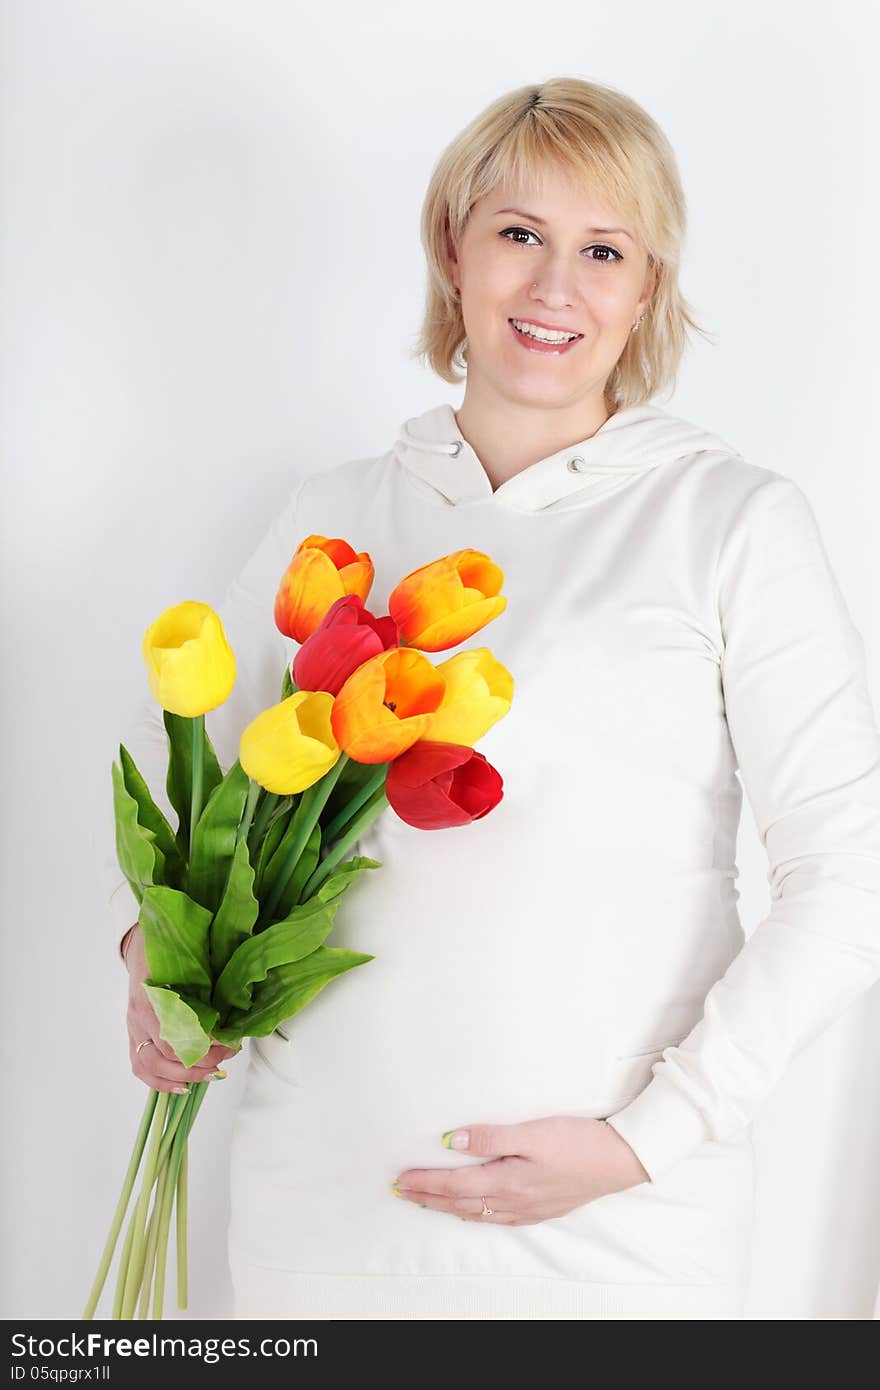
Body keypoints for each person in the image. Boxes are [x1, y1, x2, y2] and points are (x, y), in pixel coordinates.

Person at [105, 77, 880, 1321]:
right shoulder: (330, 515)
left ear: (648, 290)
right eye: (520, 233)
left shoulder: (728, 520)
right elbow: (199, 792)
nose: (555, 286)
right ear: (450, 248)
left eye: (604, 249)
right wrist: (157, 962)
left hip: (624, 1237)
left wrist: (647, 1140)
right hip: (320, 1213)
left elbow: (847, 873)